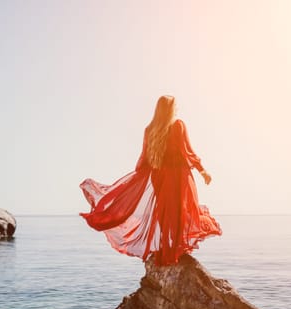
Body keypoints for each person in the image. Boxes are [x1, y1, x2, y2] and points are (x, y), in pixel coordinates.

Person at [80, 95, 221, 266]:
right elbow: (187, 151)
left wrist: (135, 180)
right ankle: (176, 248)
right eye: (175, 106)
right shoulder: (177, 125)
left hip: (159, 176)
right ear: (170, 109)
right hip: (179, 175)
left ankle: (168, 247)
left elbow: (144, 159)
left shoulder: (150, 129)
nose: (177, 109)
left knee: (165, 212)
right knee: (182, 210)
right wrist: (202, 170)